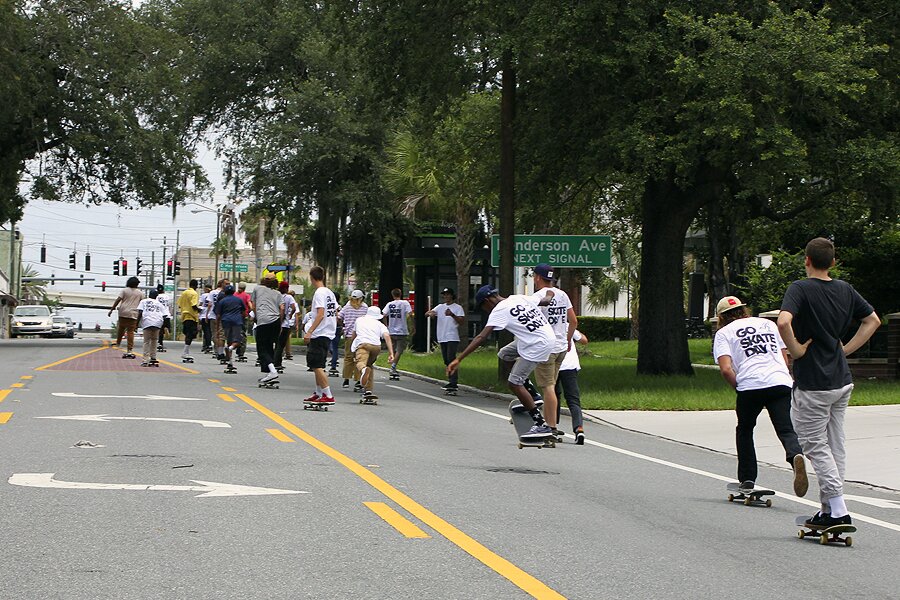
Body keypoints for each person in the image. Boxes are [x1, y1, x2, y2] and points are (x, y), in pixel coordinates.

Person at [777, 237, 880, 528]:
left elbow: (783, 322)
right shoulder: (845, 289)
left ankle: (838, 508)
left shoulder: (800, 288)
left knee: (813, 444)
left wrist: (796, 350)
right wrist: (844, 350)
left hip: (814, 382)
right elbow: (873, 320)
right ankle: (828, 509)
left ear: (807, 260)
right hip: (841, 380)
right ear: (833, 263)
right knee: (835, 445)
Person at [713, 295, 807, 495]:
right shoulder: (768, 324)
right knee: (786, 429)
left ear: (721, 317)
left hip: (750, 385)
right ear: (743, 310)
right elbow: (784, 359)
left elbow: (726, 369)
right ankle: (795, 456)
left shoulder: (724, 333)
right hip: (779, 381)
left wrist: (739, 387)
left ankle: (747, 479)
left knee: (745, 430)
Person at [448, 286, 556, 440]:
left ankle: (541, 424)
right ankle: (533, 396)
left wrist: (459, 359)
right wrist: (551, 292)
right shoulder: (518, 298)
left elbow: (481, 337)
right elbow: (545, 300)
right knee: (505, 354)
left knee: (514, 383)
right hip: (543, 337)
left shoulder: (499, 310)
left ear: (487, 301)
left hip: (537, 344)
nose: (486, 311)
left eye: (484, 308)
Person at [510, 263, 576, 435]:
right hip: (561, 347)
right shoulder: (562, 294)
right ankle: (549, 423)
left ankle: (551, 426)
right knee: (550, 387)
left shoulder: (537, 298)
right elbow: (573, 321)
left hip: (546, 348)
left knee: (548, 388)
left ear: (538, 277)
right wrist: (568, 340)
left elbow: (530, 324)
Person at [303, 266, 338, 405]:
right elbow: (335, 311)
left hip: (319, 333)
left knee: (315, 364)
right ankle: (318, 392)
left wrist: (310, 331)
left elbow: (320, 314)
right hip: (328, 332)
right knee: (318, 364)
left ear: (311, 278)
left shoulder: (319, 293)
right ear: (323, 277)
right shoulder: (330, 293)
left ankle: (328, 394)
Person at [351, 306, 396, 402]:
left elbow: (354, 334)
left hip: (363, 344)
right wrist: (391, 353)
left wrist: (352, 345)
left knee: (360, 363)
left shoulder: (359, 320)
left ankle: (363, 370)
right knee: (370, 366)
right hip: (376, 347)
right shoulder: (380, 324)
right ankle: (368, 391)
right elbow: (387, 336)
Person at [425, 288, 466, 392]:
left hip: (452, 336)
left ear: (452, 296)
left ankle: (453, 382)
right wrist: (430, 314)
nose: (446, 297)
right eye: (444, 295)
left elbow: (462, 321)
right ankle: (451, 380)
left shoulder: (457, 307)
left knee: (451, 358)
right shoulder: (440, 307)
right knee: (446, 360)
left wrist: (452, 315)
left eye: (448, 294)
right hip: (442, 337)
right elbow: (428, 313)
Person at [555, 329, 589, 445]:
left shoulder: (547, 325)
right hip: (569, 366)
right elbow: (584, 340)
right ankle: (579, 428)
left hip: (553, 364)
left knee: (553, 395)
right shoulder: (568, 326)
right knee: (573, 399)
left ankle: (552, 426)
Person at [249, 275, 283, 384]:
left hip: (264, 320)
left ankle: (273, 371)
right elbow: (282, 308)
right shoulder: (278, 293)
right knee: (269, 346)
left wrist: (256, 317)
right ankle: (269, 372)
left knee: (262, 348)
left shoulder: (257, 289)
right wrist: (280, 323)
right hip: (276, 321)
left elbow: (253, 305)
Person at [382, 288, 413, 379]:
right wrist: (413, 325)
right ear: (400, 294)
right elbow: (410, 314)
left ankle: (392, 364)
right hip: (402, 330)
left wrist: (386, 325)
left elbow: (384, 315)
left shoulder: (389, 304)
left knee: (393, 349)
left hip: (391, 330)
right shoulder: (405, 303)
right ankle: (393, 367)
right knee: (399, 350)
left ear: (392, 295)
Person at [108, 276, 143, 357]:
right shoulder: (140, 293)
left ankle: (118, 343)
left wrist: (112, 309)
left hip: (123, 312)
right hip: (133, 313)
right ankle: (129, 349)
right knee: (130, 331)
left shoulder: (124, 290)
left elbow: (118, 300)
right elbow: (142, 303)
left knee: (121, 328)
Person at [340, 290, 369, 389]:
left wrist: (344, 327)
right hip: (361, 336)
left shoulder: (347, 306)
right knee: (359, 358)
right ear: (361, 298)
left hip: (349, 336)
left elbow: (339, 317)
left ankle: (346, 379)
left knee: (348, 357)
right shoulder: (365, 308)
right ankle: (358, 380)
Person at [215, 284, 246, 373]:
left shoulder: (222, 301)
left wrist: (217, 327)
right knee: (238, 341)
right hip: (237, 322)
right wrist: (242, 319)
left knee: (229, 340)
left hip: (226, 321)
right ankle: (231, 348)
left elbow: (218, 315)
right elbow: (244, 312)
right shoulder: (238, 300)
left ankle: (230, 362)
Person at [136, 289, 166, 366]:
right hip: (157, 322)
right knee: (154, 340)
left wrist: (136, 324)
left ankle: (145, 359)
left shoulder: (143, 301)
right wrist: (163, 326)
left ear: (149, 295)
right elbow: (164, 315)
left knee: (146, 341)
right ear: (156, 296)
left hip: (147, 322)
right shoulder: (159, 304)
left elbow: (140, 312)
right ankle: (153, 357)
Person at [274, 281, 298, 371]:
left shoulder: (276, 296)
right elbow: (294, 307)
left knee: (277, 344)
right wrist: (290, 314)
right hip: (285, 324)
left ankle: (274, 361)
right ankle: (277, 363)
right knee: (281, 345)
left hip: (275, 322)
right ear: (286, 288)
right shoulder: (289, 297)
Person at [177, 279, 201, 362]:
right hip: (191, 316)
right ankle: (185, 352)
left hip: (184, 316)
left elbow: (179, 305)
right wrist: (199, 310)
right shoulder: (194, 293)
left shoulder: (184, 293)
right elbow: (193, 305)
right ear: (196, 286)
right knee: (191, 334)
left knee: (188, 334)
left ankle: (186, 351)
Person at [234, 282, 252, 361]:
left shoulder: (234, 295)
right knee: (243, 334)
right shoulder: (246, 295)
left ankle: (237, 347)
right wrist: (250, 312)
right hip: (243, 316)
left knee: (236, 333)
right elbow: (250, 304)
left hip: (235, 316)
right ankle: (241, 351)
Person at [155, 283, 173, 352]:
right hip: (167, 314)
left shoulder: (156, 297)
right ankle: (167, 328)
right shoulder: (167, 297)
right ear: (163, 290)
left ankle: (160, 343)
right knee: (166, 327)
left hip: (159, 315)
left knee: (160, 330)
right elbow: (170, 305)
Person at [328, 293, 343, 372]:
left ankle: (333, 360)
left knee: (330, 345)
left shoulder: (330, 305)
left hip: (330, 326)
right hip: (337, 327)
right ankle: (333, 364)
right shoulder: (339, 307)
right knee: (335, 346)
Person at [199, 284, 213, 353]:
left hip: (204, 315)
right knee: (209, 331)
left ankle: (207, 345)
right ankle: (207, 345)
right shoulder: (213, 294)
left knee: (206, 331)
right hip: (212, 315)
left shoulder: (204, 295)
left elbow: (200, 304)